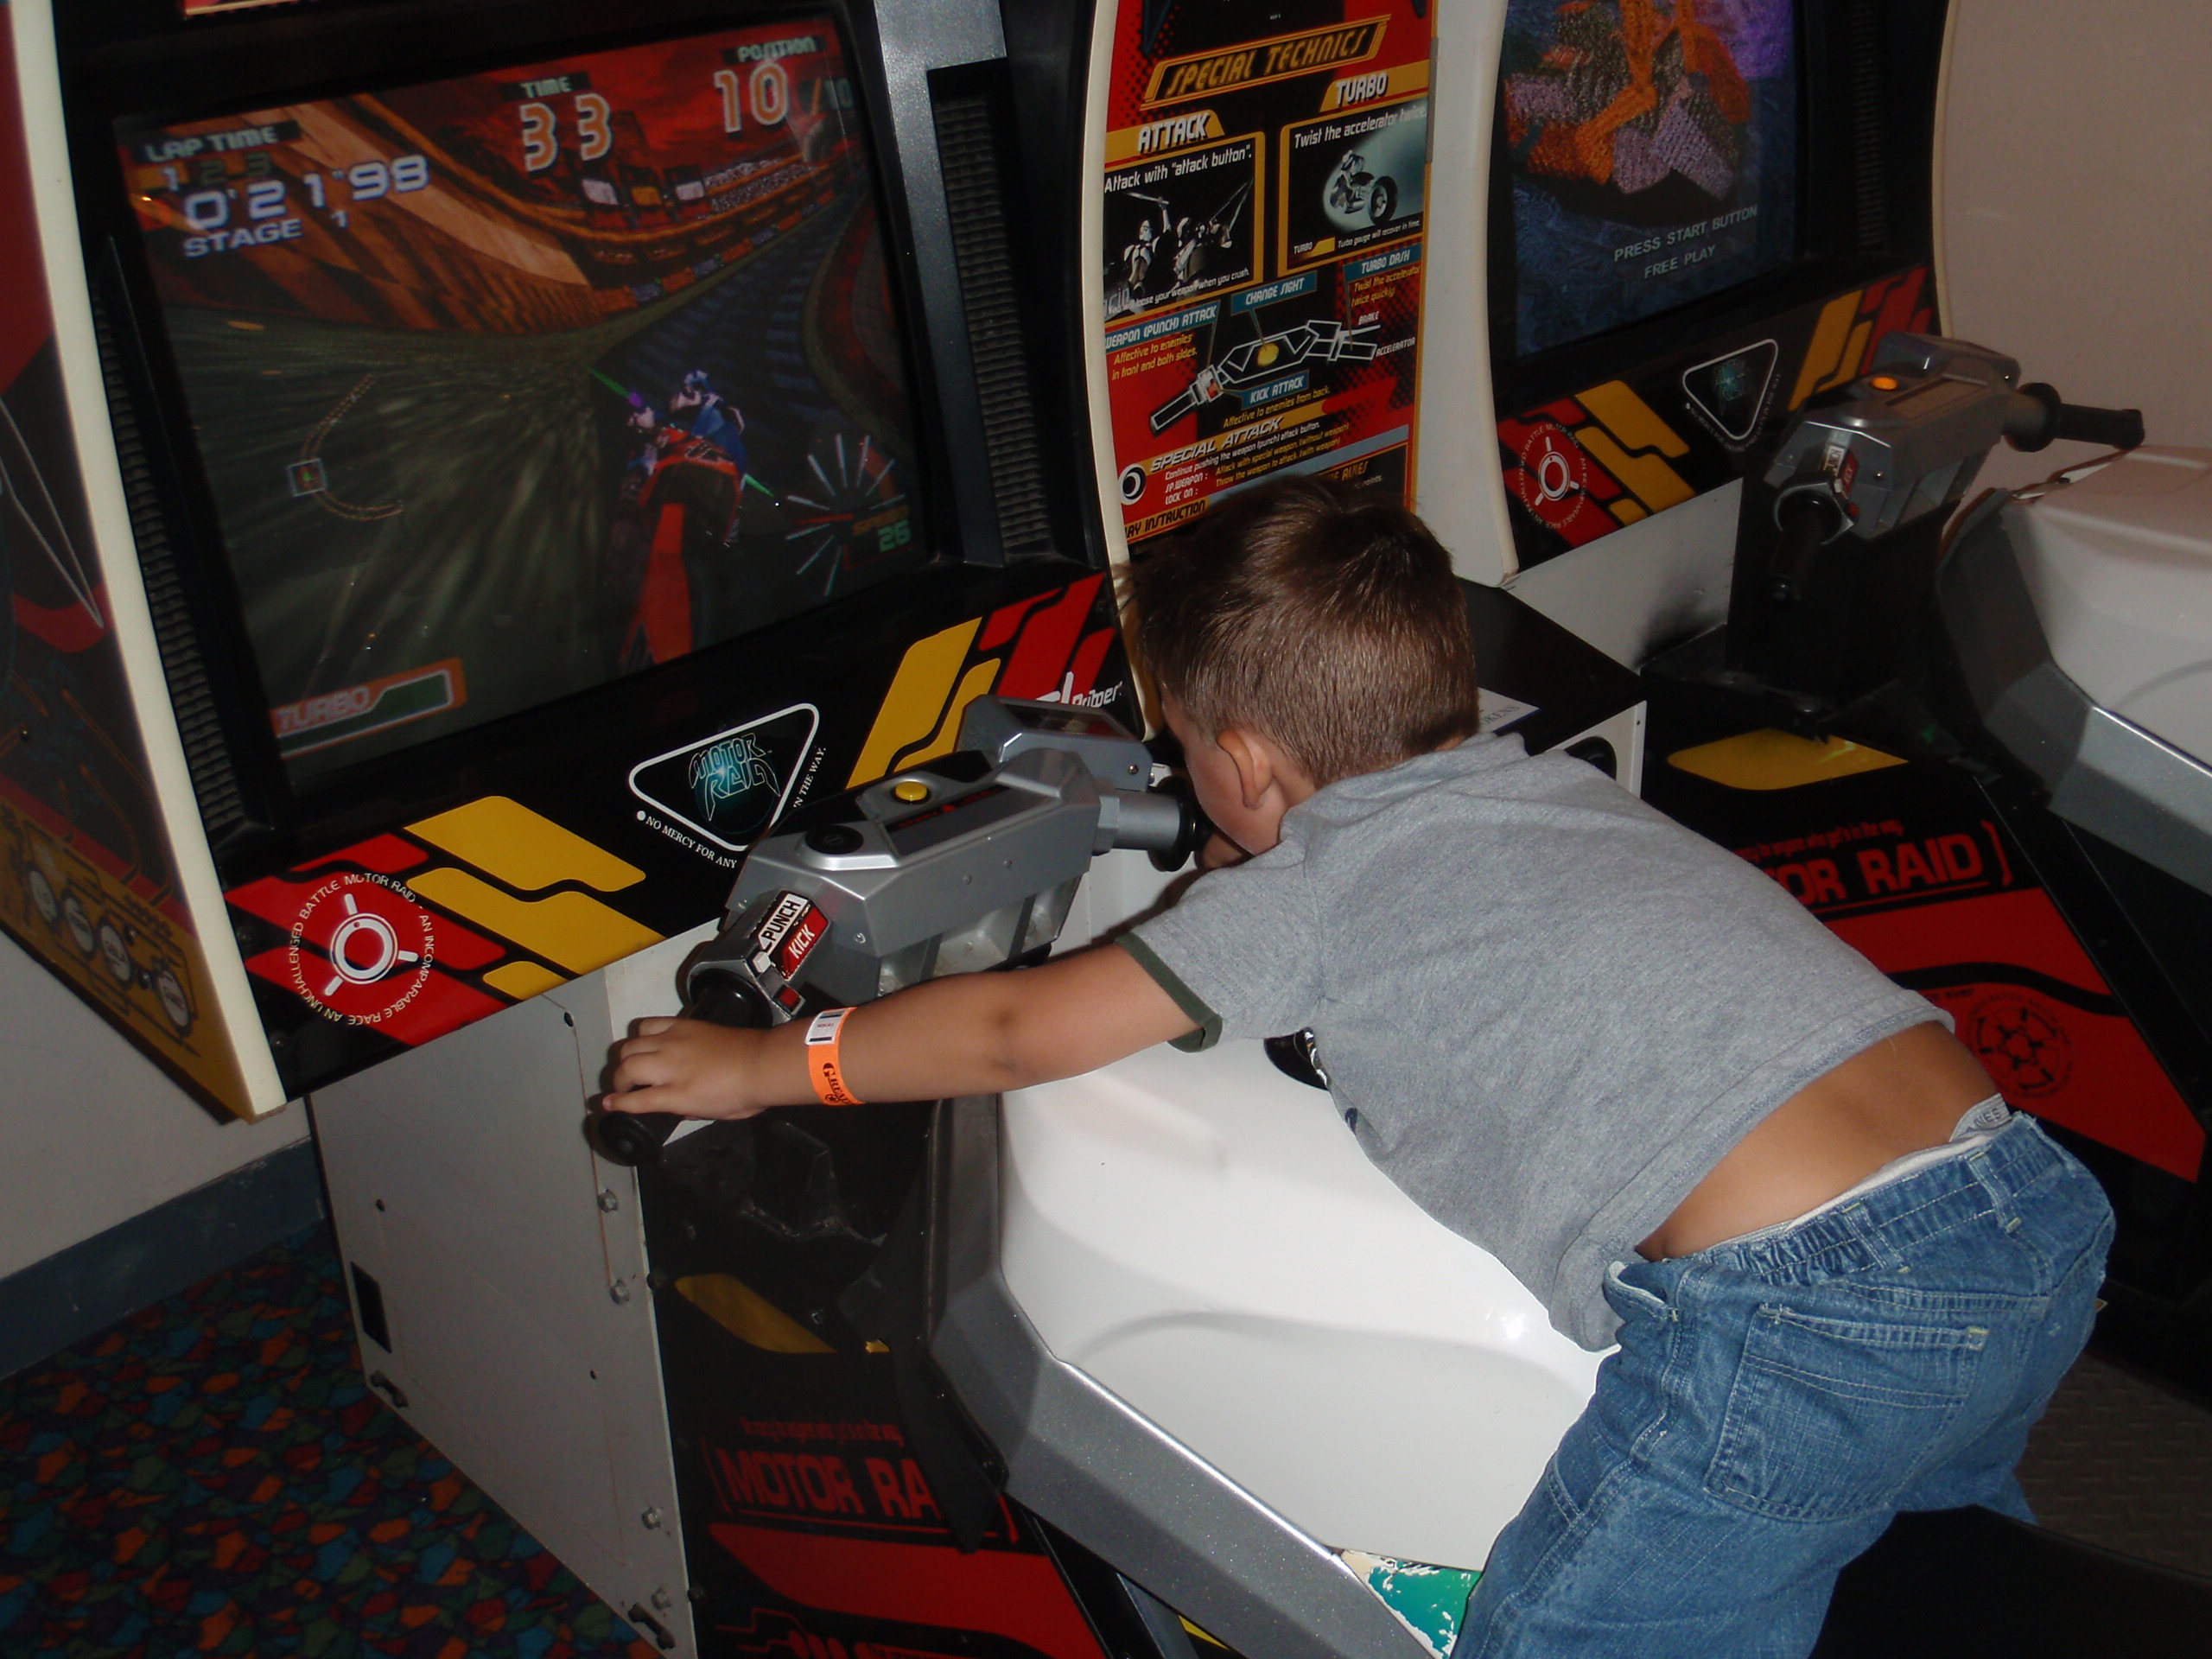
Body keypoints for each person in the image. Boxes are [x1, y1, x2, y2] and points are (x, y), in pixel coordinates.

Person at [602, 476, 2113, 1658]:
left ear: (1247, 765)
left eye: (1182, 745)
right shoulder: (1551, 794)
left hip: (1806, 1315)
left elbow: (1016, 1029)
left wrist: (760, 1065)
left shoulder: (1316, 895)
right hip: (2020, 1209)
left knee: (1560, 1638)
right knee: (1924, 1560)